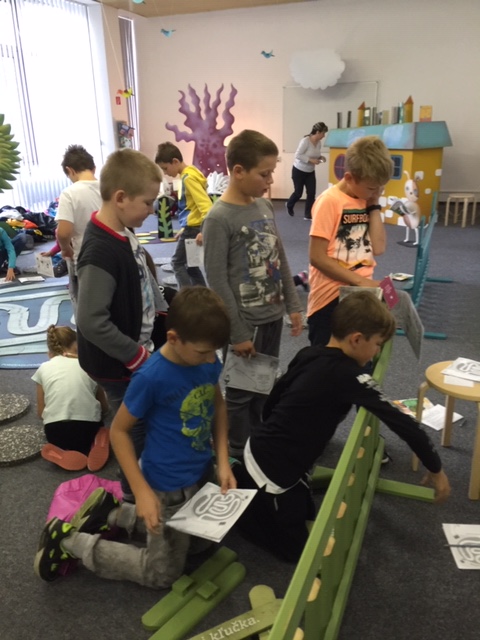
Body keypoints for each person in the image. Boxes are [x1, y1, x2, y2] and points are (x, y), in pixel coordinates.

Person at [34, 287, 237, 588]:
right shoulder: (151, 377)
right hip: (166, 484)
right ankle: (67, 542)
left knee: (199, 546)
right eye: (203, 352)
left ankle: (114, 514)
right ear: (173, 338)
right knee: (162, 573)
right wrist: (141, 492)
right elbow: (118, 431)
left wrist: (223, 461)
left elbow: (217, 405)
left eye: (213, 352)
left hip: (201, 471)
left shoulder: (205, 361)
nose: (211, 360)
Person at [233, 291, 451, 562]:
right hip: (271, 467)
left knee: (307, 513)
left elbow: (275, 396)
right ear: (356, 339)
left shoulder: (310, 352)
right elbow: (400, 421)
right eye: (377, 344)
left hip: (264, 446)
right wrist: (436, 467)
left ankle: (260, 495)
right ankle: (251, 502)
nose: (378, 351)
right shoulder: (349, 375)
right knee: (296, 553)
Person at [202, 129, 303, 459]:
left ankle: (256, 444)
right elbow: (216, 280)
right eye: (264, 173)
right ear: (238, 171)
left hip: (271, 318)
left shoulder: (263, 206)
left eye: (272, 172)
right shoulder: (219, 218)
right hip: (246, 324)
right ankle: (236, 452)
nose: (270, 181)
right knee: (240, 393)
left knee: (263, 384)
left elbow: (279, 257)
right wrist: (238, 333)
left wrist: (293, 304)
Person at [75, 148, 169, 495]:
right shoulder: (99, 251)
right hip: (116, 363)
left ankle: (145, 483)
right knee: (133, 428)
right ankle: (135, 495)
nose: (152, 210)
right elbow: (91, 321)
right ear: (120, 198)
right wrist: (136, 356)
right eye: (148, 202)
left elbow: (143, 280)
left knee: (143, 420)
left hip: (133, 352)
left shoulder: (124, 231)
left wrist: (164, 314)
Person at [307, 135, 393, 347]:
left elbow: (379, 247)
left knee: (361, 354)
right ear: (349, 177)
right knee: (328, 359)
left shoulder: (365, 198)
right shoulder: (330, 201)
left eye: (381, 187)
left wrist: (374, 205)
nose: (377, 192)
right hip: (330, 298)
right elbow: (316, 256)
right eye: (372, 188)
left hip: (359, 293)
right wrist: (360, 282)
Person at [31, 325, 110, 471]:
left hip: (54, 432)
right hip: (88, 429)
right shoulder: (88, 366)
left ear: (50, 352)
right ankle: (97, 441)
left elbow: (41, 412)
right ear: (77, 346)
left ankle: (60, 450)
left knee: (57, 434)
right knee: (100, 425)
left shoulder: (43, 368)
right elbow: (104, 407)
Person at [155, 142, 212, 288]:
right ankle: (201, 294)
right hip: (192, 226)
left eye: (165, 168)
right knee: (191, 265)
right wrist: (185, 226)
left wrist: (204, 230)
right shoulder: (191, 173)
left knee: (177, 263)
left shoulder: (188, 178)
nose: (165, 173)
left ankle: (186, 296)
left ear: (175, 161)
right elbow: (192, 207)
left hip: (194, 228)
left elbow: (205, 206)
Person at [55, 144, 102, 304]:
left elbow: (63, 232)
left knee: (88, 302)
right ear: (94, 168)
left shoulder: (69, 193)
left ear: (70, 170)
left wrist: (65, 248)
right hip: (114, 252)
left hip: (85, 256)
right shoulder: (108, 188)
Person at [285, 122, 329, 220]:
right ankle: (289, 204)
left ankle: (308, 214)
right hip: (298, 170)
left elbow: (316, 154)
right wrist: (310, 160)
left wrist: (320, 157)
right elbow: (297, 155)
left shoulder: (319, 143)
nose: (324, 136)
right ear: (317, 132)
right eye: (323, 133)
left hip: (310, 171)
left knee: (311, 193)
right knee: (298, 193)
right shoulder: (305, 141)